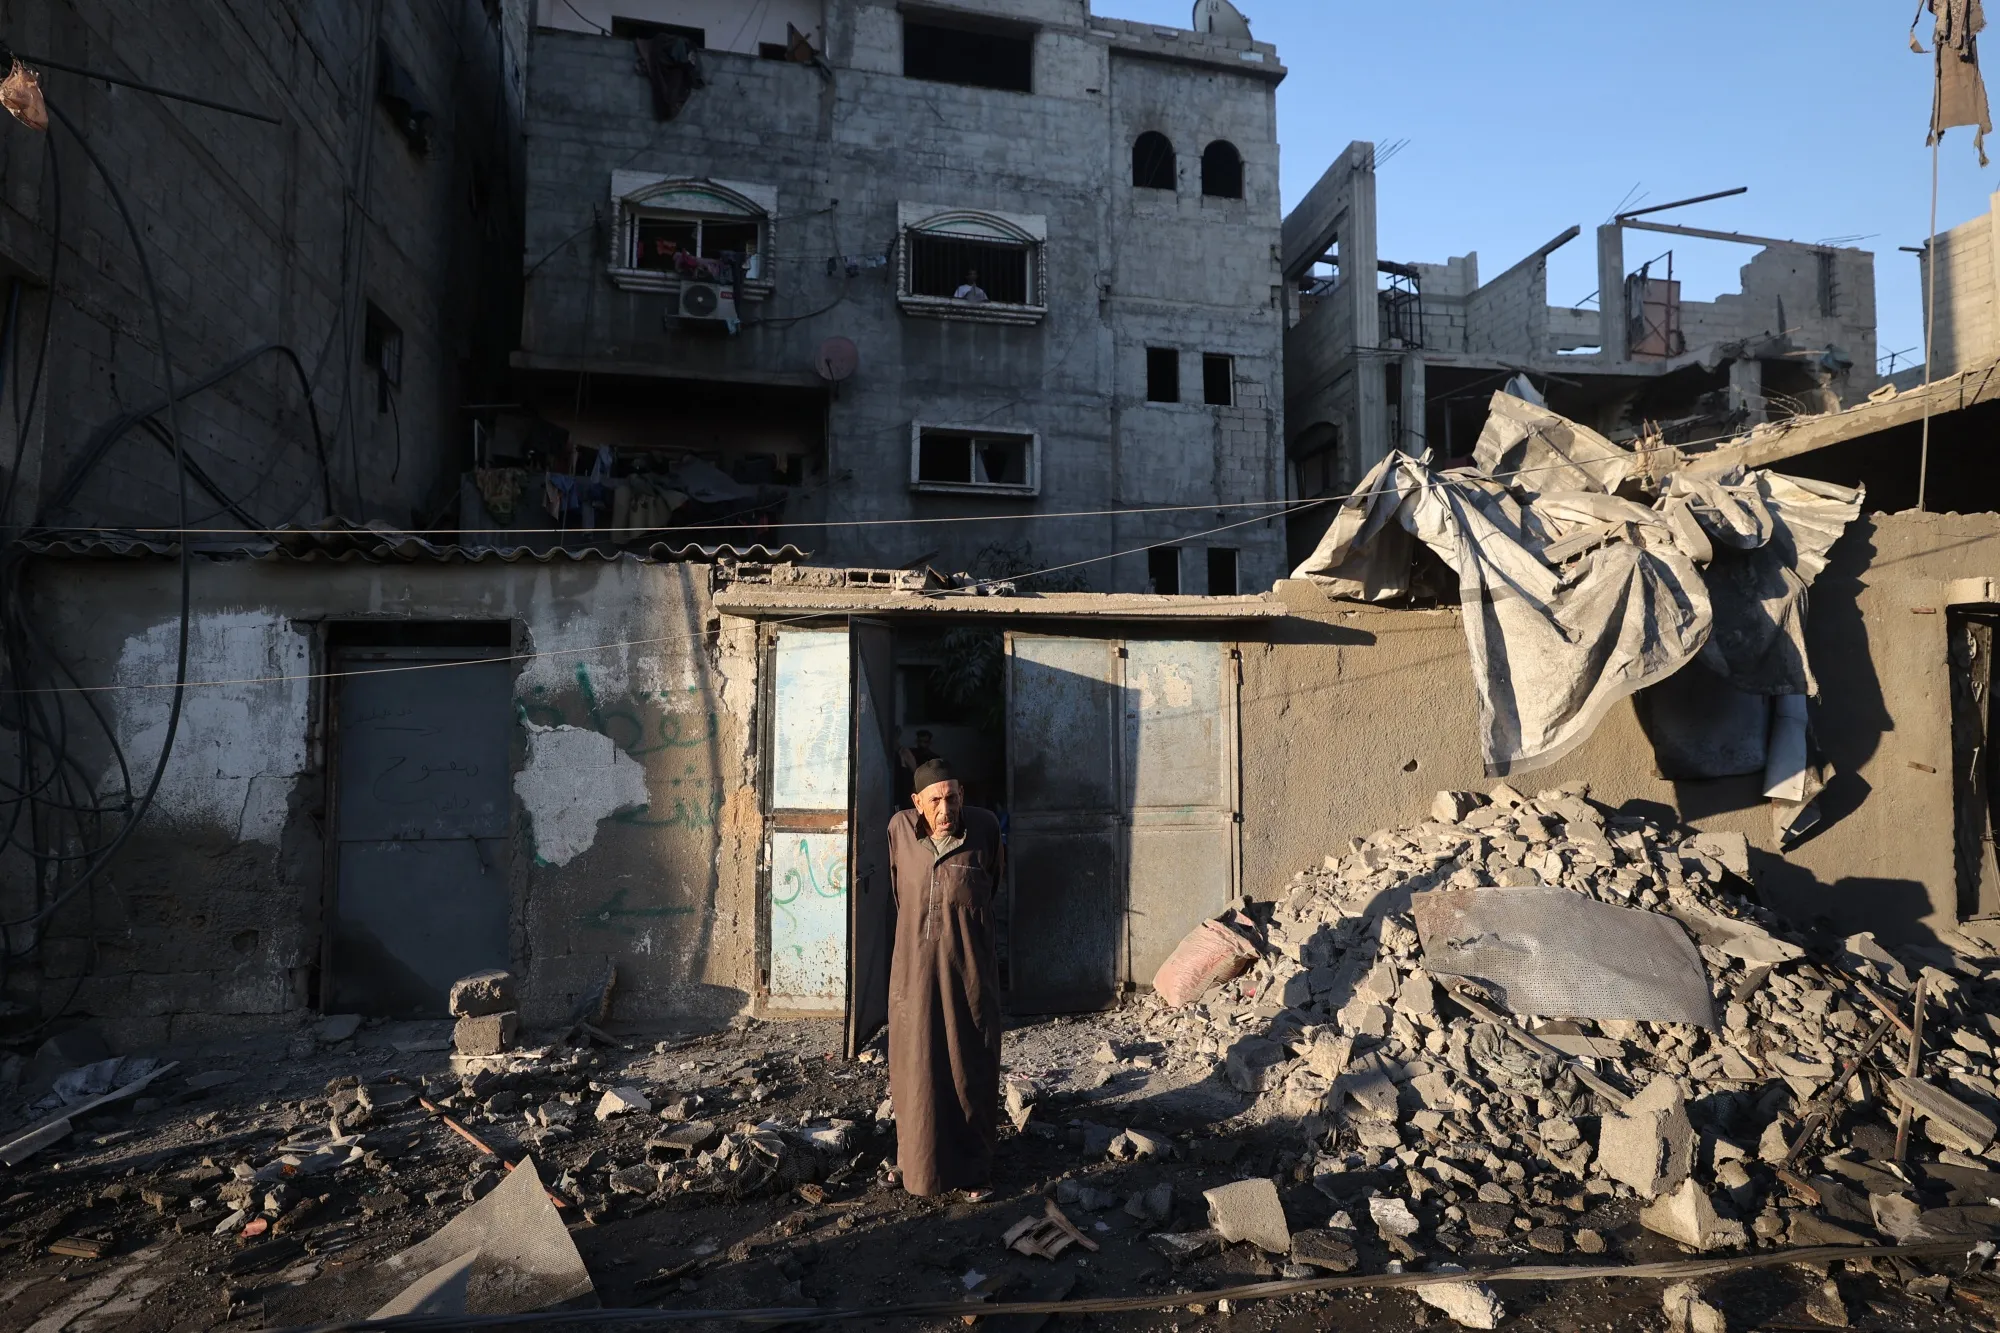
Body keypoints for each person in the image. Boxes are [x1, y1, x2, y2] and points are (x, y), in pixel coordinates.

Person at [885, 757, 1004, 1199]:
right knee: (915, 1068)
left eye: (953, 796)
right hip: (913, 975)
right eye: (935, 799)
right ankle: (916, 1165)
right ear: (917, 802)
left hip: (968, 974)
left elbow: (992, 885)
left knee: (969, 1064)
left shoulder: (985, 829)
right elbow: (901, 892)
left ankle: (973, 1171)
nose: (945, 807)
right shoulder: (899, 830)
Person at [894, 729, 938, 810]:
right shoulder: (912, 752)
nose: (921, 744)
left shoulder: (933, 758)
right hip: (909, 786)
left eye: (924, 742)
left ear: (929, 743)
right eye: (919, 741)